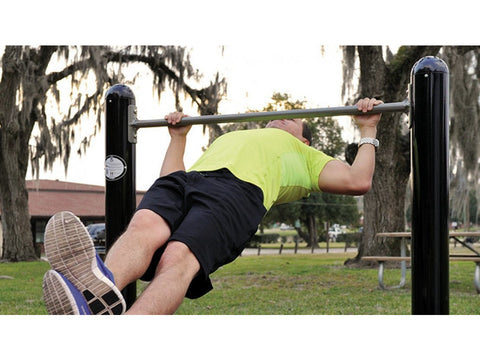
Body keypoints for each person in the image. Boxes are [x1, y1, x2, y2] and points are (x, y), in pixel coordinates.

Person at [42, 97, 383, 315]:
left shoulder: (308, 156)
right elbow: (173, 175)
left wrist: (367, 129)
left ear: (304, 137)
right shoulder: (231, 137)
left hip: (238, 193)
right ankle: (91, 297)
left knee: (178, 258)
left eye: (292, 117)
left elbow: (357, 180)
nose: (282, 115)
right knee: (144, 227)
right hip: (189, 180)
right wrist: (179, 139)